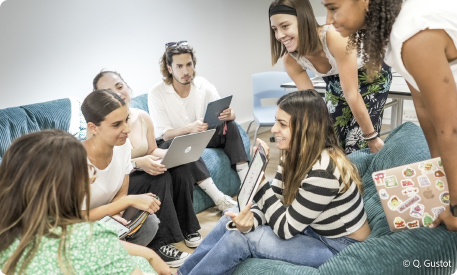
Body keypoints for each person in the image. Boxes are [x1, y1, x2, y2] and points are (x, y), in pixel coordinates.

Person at [178, 90, 371, 275]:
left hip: (338, 246)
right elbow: (276, 198)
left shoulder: (323, 172)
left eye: (282, 124)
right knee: (231, 219)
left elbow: (284, 229)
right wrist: (250, 221)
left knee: (238, 239)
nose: (273, 129)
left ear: (306, 128)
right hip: (311, 228)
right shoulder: (294, 154)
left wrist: (260, 179)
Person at [320, 0, 457, 230]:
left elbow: (451, 129)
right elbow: (423, 109)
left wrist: (454, 206)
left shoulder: (413, 35)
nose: (328, 20)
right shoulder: (398, 35)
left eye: (333, 8)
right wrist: (440, 178)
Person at [0, 129, 169, 275]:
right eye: (85, 169)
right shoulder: (92, 236)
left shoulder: (11, 229)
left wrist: (149, 254)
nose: (92, 177)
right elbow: (96, 242)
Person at [93, 70, 208, 267]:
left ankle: (188, 227)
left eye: (120, 87)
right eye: (108, 91)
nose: (117, 93)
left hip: (143, 168)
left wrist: (175, 155)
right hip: (124, 178)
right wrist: (140, 163)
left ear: (127, 87)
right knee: (158, 178)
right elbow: (110, 166)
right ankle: (160, 245)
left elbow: (153, 149)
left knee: (180, 168)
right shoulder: (103, 127)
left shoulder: (143, 116)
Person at [269, 0, 392, 154]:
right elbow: (312, 105)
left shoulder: (334, 38)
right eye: (275, 29)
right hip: (335, 84)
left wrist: (372, 138)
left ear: (303, 20)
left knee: (356, 146)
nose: (279, 35)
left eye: (285, 26)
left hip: (371, 76)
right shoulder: (291, 61)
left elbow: (352, 94)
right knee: (330, 143)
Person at [148, 41, 249, 209]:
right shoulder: (157, 92)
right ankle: (219, 199)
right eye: (179, 66)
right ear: (169, 68)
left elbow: (224, 112)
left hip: (202, 136)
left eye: (189, 64)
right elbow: (164, 134)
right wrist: (189, 128)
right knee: (182, 144)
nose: (186, 71)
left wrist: (230, 115)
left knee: (230, 125)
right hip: (175, 140)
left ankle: (247, 182)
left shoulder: (203, 84)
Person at [81, 89, 161, 248]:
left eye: (127, 119)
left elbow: (121, 193)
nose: (127, 129)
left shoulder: (123, 146)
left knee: (150, 222)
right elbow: (78, 217)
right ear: (93, 127)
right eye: (117, 124)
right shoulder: (75, 160)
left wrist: (115, 219)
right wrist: (129, 201)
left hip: (104, 220)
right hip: (78, 228)